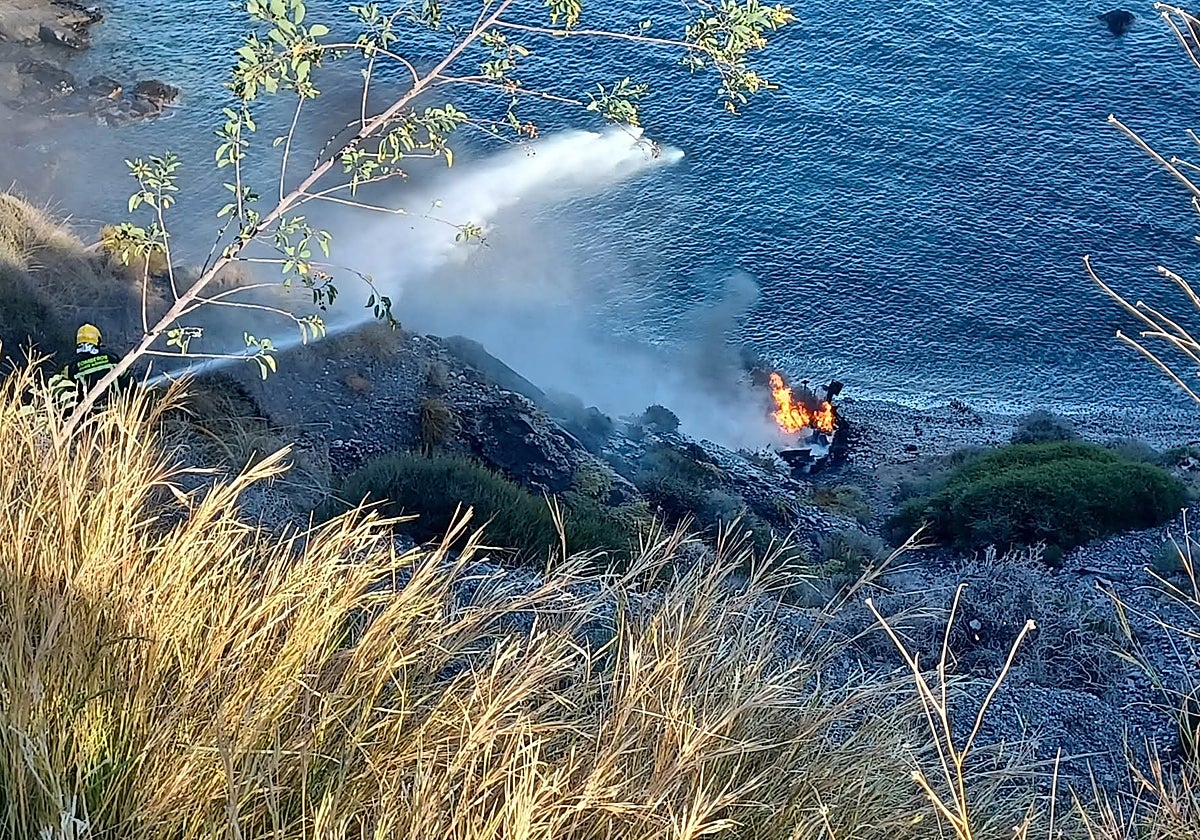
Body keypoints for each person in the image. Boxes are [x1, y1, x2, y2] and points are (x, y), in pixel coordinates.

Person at [49, 324, 127, 413]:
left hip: (88, 418)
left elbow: (60, 392)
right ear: (98, 340)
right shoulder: (112, 358)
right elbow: (129, 381)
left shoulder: (71, 367)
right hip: (116, 412)